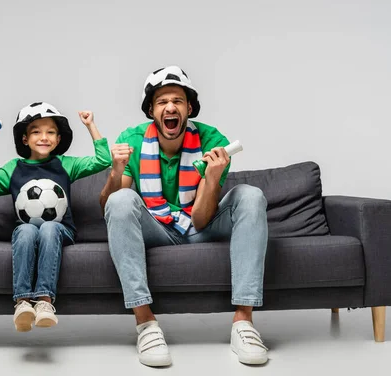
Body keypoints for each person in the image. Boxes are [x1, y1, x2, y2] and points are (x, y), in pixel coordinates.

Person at [100, 66, 269, 367]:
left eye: (177, 100)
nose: (170, 107)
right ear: (151, 110)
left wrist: (213, 177)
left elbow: (202, 219)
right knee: (122, 199)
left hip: (200, 225)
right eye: (162, 101)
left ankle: (243, 323)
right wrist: (115, 171)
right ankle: (146, 323)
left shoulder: (212, 139)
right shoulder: (133, 140)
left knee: (251, 195)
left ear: (189, 108)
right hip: (155, 226)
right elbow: (110, 206)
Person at [0, 102, 111, 332]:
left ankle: (44, 301)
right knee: (26, 230)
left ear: (59, 139)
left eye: (51, 132)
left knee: (49, 227)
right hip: (27, 229)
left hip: (60, 230)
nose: (44, 137)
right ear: (25, 139)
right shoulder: (14, 168)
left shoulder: (66, 164)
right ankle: (23, 302)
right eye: (36, 132)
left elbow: (103, 161)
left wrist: (90, 125)